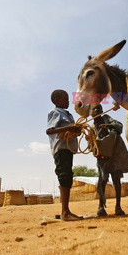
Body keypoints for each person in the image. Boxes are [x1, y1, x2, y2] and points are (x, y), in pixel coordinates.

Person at [46, 89, 83, 221]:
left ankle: (66, 211)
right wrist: (69, 128)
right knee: (64, 175)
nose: (68, 101)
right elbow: (50, 131)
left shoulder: (68, 115)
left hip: (68, 149)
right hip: (60, 148)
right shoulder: (55, 113)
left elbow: (73, 130)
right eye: (65, 99)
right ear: (57, 101)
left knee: (67, 176)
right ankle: (65, 212)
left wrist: (77, 130)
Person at [92, 104, 128, 216]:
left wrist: (108, 126)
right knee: (102, 181)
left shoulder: (106, 118)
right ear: (90, 112)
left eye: (98, 109)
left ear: (102, 111)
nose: (95, 111)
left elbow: (119, 126)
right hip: (102, 158)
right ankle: (101, 207)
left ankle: (118, 207)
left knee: (116, 180)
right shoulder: (91, 127)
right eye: (93, 109)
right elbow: (91, 143)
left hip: (115, 156)